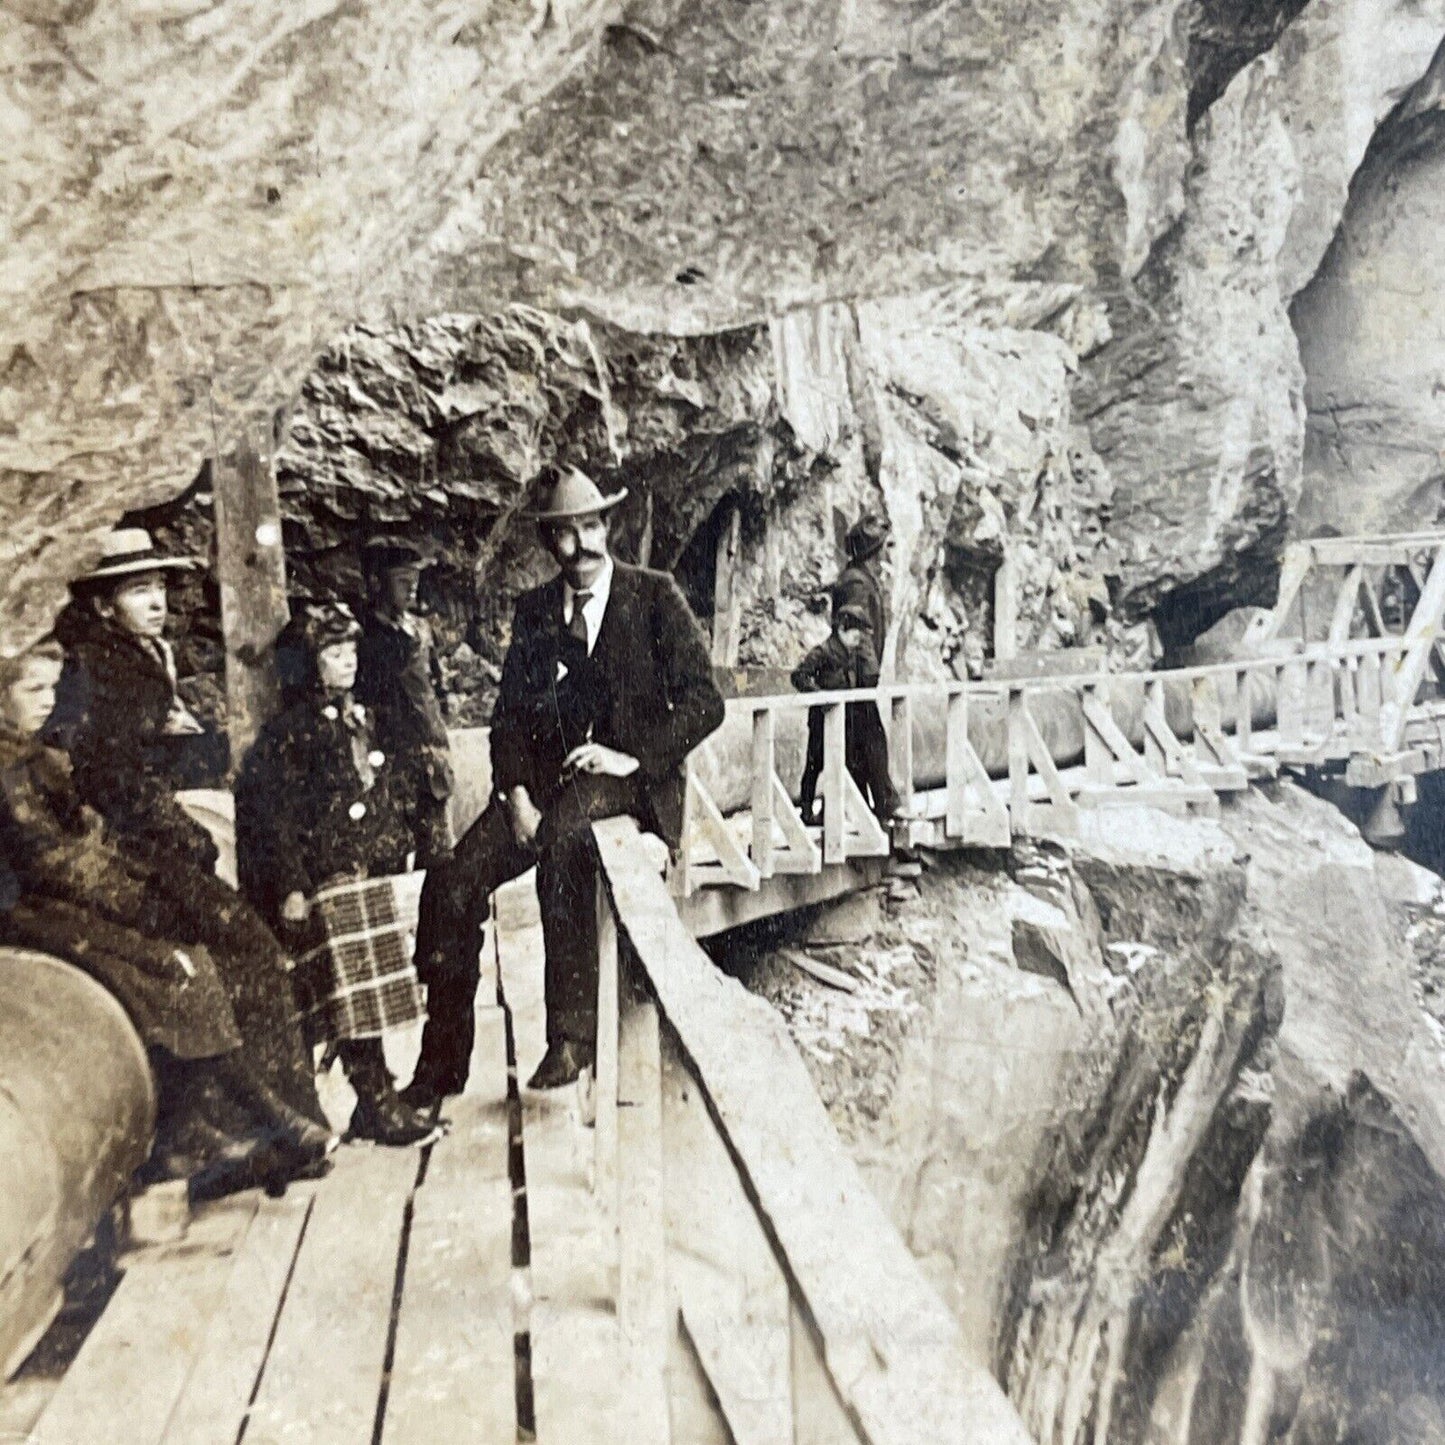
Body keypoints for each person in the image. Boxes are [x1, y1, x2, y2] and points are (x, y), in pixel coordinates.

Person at [403, 466, 725, 1104]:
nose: (576, 550)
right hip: (545, 788)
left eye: (588, 530)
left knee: (566, 844)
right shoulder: (535, 612)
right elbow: (509, 721)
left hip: (627, 786)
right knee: (451, 882)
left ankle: (570, 1036)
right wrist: (515, 794)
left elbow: (704, 702)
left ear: (607, 527)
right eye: (562, 537)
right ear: (547, 543)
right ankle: (440, 1066)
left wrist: (633, 759)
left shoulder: (655, 596)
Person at [0, 639, 331, 1200]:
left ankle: (237, 1125)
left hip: (64, 897)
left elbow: (87, 839)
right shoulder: (10, 770)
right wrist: (134, 901)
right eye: (31, 690)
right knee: (164, 968)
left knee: (186, 959)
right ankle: (252, 1120)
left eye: (51, 688)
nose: (46, 700)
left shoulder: (36, 756)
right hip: (28, 912)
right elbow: (50, 861)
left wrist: (128, 879)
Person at [235, 602, 433, 1147]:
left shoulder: (361, 716)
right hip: (325, 878)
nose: (347, 661)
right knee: (346, 991)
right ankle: (368, 1100)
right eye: (332, 653)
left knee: (364, 988)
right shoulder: (289, 735)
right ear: (308, 663)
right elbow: (274, 816)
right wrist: (293, 884)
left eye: (350, 650)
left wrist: (392, 844)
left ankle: (377, 1099)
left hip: (359, 870)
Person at [45, 527, 225, 875]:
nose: (159, 603)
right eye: (140, 591)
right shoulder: (100, 667)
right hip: (127, 822)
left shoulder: (151, 652)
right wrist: (184, 831)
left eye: (159, 586)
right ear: (104, 607)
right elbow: (111, 771)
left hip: (158, 799)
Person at [355, 537, 455, 869]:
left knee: (438, 856)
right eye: (402, 581)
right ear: (376, 584)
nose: (411, 590)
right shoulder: (364, 637)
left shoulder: (420, 632)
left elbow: (435, 687)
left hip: (428, 759)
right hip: (388, 763)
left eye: (415, 581)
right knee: (389, 855)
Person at [792, 601, 899, 823]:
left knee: (843, 763)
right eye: (854, 635)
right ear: (841, 629)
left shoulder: (851, 653)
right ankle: (805, 811)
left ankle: (830, 811)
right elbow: (799, 675)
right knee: (814, 765)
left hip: (843, 721)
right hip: (822, 719)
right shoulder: (824, 651)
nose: (857, 640)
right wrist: (821, 695)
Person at [830, 511, 891, 660]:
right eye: (886, 545)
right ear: (876, 550)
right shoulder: (856, 583)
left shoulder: (864, 580)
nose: (888, 551)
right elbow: (856, 641)